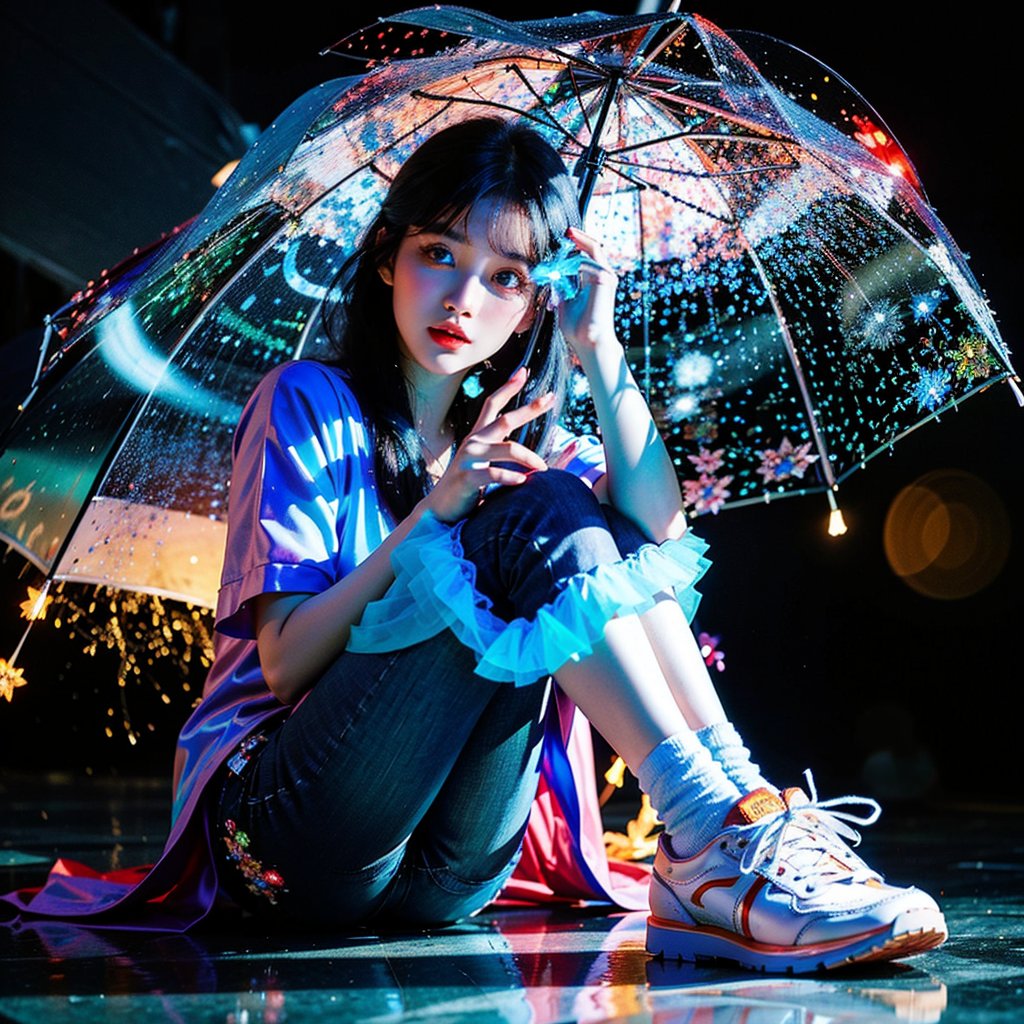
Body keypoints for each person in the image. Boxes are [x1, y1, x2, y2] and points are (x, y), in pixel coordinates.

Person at [3, 118, 947, 972]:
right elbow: (285, 665)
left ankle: (733, 817)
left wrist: (600, 345)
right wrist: (433, 517)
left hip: (452, 873)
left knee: (570, 508)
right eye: (437, 253)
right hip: (289, 839)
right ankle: (711, 835)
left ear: (535, 302)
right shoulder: (307, 402)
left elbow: (659, 536)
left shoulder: (523, 439)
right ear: (385, 259)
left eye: (505, 277)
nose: (463, 297)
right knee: (530, 516)